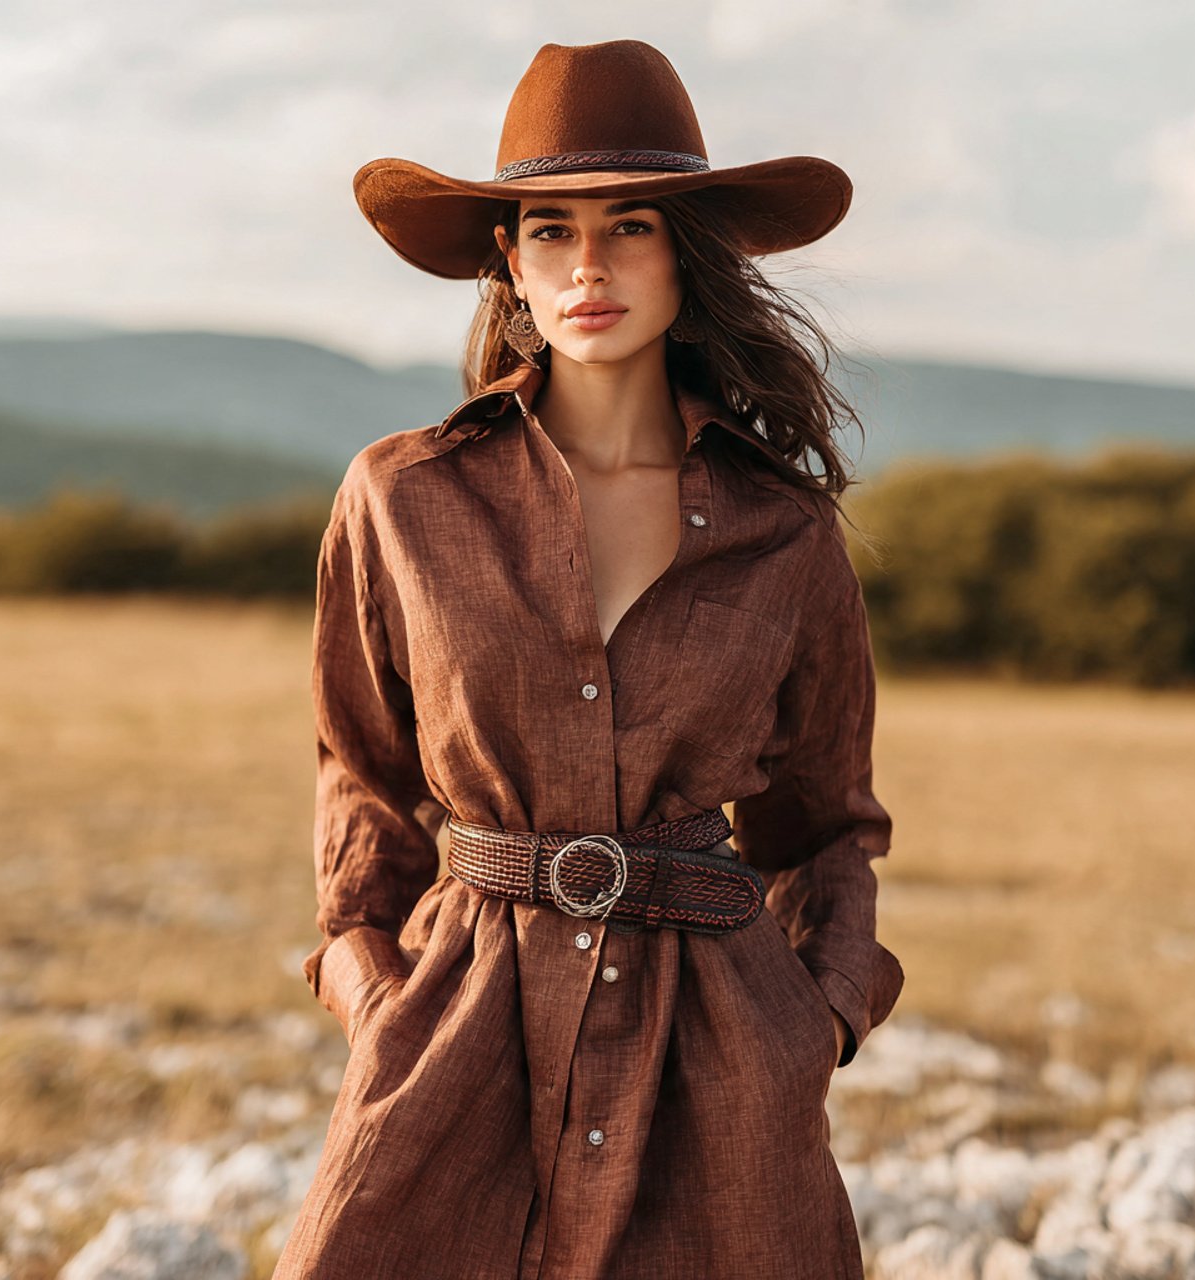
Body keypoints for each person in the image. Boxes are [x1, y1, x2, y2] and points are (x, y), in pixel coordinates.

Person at [272, 38, 904, 1280]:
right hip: (455, 1024)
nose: (589, 266)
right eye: (550, 229)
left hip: (717, 1048)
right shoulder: (402, 498)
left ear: (688, 250)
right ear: (507, 257)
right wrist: (369, 984)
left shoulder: (784, 529)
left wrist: (813, 1017)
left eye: (630, 224)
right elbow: (358, 764)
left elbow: (826, 819)